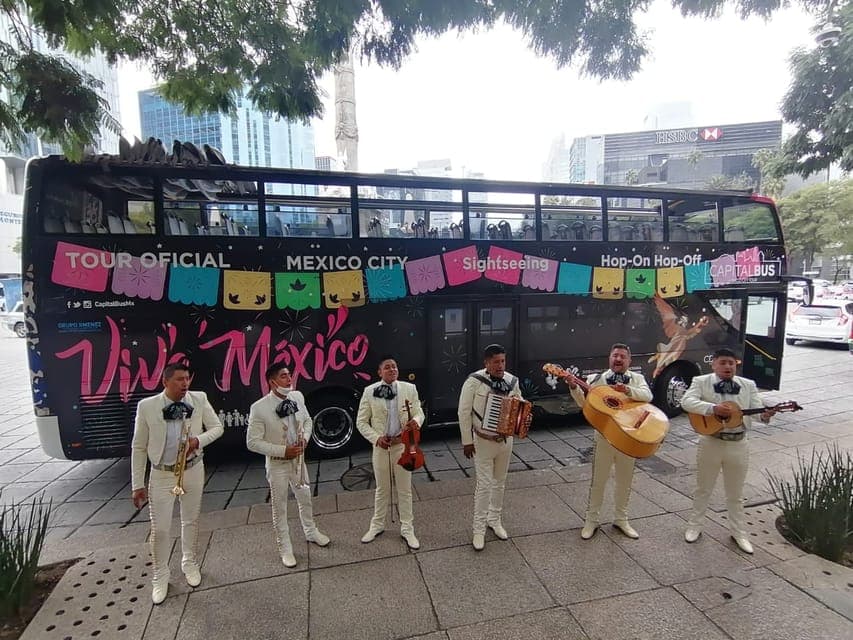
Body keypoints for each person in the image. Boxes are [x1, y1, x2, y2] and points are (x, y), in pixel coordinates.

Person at [131, 363, 223, 604]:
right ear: (165, 382)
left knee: (190, 520)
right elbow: (139, 447)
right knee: (160, 528)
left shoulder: (199, 399)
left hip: (193, 469)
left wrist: (198, 441)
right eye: (179, 379)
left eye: (187, 379)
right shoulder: (147, 406)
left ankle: (189, 562)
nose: (185, 384)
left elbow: (217, 428)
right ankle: (160, 574)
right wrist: (137, 484)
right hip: (162, 474)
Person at [681, 348, 776, 554]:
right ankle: (694, 526)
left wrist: (767, 415)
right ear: (713, 364)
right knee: (703, 488)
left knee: (736, 492)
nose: (727, 367)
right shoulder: (701, 381)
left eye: (731, 363)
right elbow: (686, 401)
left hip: (739, 444)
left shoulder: (748, 385)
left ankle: (739, 532)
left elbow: (758, 412)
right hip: (711, 442)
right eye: (723, 362)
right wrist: (712, 408)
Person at [246, 364, 330, 568]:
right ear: (272, 381)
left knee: (305, 497)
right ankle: (285, 548)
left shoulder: (298, 397)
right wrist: (283, 451)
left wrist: (306, 440)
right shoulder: (259, 407)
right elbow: (252, 442)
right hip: (277, 465)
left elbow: (308, 421)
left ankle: (311, 531)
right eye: (283, 376)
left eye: (289, 375)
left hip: (299, 461)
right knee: (280, 507)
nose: (289, 378)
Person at [567, 343, 652, 540]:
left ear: (629, 361)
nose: (618, 359)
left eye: (623, 356)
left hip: (629, 438)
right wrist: (574, 387)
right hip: (604, 438)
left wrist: (628, 390)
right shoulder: (595, 380)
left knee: (624, 481)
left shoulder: (637, 379)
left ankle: (621, 519)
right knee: (598, 481)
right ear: (609, 358)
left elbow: (648, 396)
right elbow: (584, 405)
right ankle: (591, 520)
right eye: (615, 355)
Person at [458, 344, 530, 551]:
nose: (500, 365)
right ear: (486, 363)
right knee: (484, 485)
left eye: (503, 361)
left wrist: (523, 412)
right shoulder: (474, 382)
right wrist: (467, 441)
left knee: (500, 482)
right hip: (482, 441)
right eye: (496, 362)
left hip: (505, 441)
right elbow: (463, 412)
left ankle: (494, 520)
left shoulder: (511, 381)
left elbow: (521, 403)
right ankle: (478, 530)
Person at [356, 355, 425, 550]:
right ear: (379, 372)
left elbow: (420, 412)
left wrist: (417, 421)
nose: (392, 369)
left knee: (405, 490)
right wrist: (376, 438)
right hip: (381, 447)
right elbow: (361, 422)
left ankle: (407, 529)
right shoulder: (369, 392)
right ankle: (376, 525)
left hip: (403, 446)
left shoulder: (409, 389)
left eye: (394, 366)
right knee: (382, 489)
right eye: (387, 367)